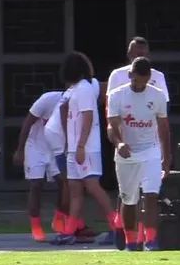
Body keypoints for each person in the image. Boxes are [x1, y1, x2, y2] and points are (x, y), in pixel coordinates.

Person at [105, 37, 169, 245]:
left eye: (143, 81)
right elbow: (111, 125)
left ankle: (151, 240)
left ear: (149, 78)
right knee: (129, 200)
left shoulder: (157, 95)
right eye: (134, 80)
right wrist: (119, 143)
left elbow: (163, 126)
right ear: (129, 75)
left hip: (150, 150)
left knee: (151, 195)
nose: (138, 84)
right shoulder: (117, 95)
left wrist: (166, 157)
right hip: (127, 153)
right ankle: (131, 241)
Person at [53, 52, 120, 245]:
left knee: (93, 187)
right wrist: (70, 147)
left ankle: (117, 227)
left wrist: (81, 145)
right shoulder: (74, 89)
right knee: (75, 190)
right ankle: (69, 231)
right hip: (74, 149)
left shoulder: (84, 89)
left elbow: (88, 117)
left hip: (86, 148)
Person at [13, 89, 67, 242]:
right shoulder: (48, 99)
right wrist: (20, 149)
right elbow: (28, 122)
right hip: (36, 146)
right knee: (36, 184)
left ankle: (59, 218)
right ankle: (36, 226)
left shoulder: (80, 101)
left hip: (57, 147)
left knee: (65, 184)